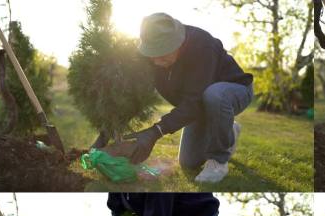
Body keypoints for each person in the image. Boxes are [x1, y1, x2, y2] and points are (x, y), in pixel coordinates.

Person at [97, 13, 254, 184]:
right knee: (188, 162)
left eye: (163, 53)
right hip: (199, 106)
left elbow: (194, 101)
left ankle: (218, 162)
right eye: (153, 54)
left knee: (214, 94)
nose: (157, 61)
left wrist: (155, 132)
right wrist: (106, 133)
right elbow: (136, 95)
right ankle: (228, 130)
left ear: (179, 42)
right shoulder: (148, 57)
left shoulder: (202, 45)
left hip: (233, 91)